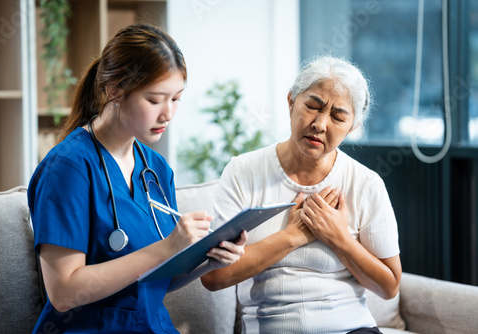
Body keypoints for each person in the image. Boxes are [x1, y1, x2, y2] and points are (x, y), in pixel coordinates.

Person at [28, 23, 247, 334]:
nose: (168, 113)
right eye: (155, 100)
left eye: (176, 99)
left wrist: (211, 259)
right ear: (114, 90)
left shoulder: (156, 169)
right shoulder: (68, 168)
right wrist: (168, 247)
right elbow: (63, 293)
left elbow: (159, 278)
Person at [201, 56, 402, 334]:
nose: (320, 124)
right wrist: (292, 236)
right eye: (312, 106)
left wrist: (339, 238)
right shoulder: (243, 171)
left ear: (352, 126)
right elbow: (212, 277)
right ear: (291, 101)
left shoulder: (366, 183)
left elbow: (389, 286)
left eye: (338, 117)